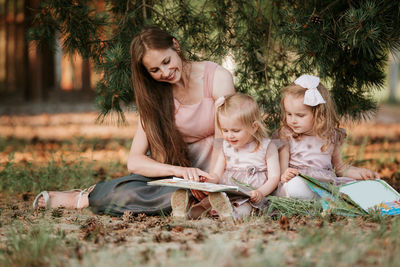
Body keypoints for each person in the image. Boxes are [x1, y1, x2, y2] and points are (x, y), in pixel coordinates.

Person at [33, 26, 235, 216]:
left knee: (216, 192)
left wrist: (211, 178)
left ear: (176, 46)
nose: (165, 73)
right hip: (182, 173)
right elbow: (135, 161)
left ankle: (203, 199)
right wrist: (181, 172)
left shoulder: (217, 77)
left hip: (222, 165)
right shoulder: (155, 95)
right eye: (155, 70)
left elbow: (223, 141)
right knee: (138, 191)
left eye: (166, 61)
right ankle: (82, 198)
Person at [171, 93, 280, 222]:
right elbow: (217, 173)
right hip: (226, 193)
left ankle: (231, 214)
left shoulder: (266, 146)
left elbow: (274, 177)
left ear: (254, 127)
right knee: (207, 203)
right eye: (225, 130)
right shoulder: (225, 146)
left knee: (245, 208)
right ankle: (186, 213)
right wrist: (207, 182)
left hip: (250, 195)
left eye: (235, 131)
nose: (229, 136)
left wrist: (261, 192)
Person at [276, 74, 380, 199]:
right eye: (289, 114)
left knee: (361, 187)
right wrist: (285, 174)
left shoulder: (330, 136)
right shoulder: (287, 135)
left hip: (325, 183)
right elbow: (281, 171)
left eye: (300, 115)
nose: (293, 120)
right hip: (299, 181)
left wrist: (361, 173)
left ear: (319, 113)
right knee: (296, 187)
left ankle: (329, 198)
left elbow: (340, 168)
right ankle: (325, 199)